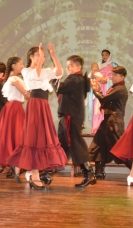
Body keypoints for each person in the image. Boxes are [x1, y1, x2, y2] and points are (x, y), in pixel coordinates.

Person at [7, 43, 67, 190]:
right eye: (39, 55)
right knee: (35, 138)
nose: (42, 58)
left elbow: (59, 72)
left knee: (44, 138)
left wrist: (53, 55)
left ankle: (31, 172)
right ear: (31, 57)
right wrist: (40, 62)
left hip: (44, 105)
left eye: (43, 56)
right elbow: (37, 75)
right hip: (35, 105)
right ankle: (34, 176)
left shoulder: (46, 70)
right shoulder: (26, 71)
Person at [0, 57, 29, 183]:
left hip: (15, 109)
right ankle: (22, 171)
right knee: (13, 139)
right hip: (13, 110)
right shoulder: (14, 79)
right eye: (21, 64)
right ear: (13, 66)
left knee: (14, 139)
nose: (23, 66)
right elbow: (27, 94)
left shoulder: (14, 79)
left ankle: (17, 170)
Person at [54, 55, 96, 188]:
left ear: (78, 67)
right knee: (61, 144)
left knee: (75, 143)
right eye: (67, 66)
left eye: (70, 66)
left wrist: (50, 76)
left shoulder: (75, 78)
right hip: (70, 115)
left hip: (70, 116)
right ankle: (48, 171)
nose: (68, 68)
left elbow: (59, 88)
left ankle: (89, 173)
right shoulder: (81, 79)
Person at [89, 66, 131, 180]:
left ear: (122, 77)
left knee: (119, 146)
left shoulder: (120, 89)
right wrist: (98, 91)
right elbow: (106, 101)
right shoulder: (114, 88)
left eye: (115, 75)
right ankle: (99, 172)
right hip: (108, 119)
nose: (112, 77)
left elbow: (103, 99)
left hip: (114, 120)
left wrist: (95, 90)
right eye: (112, 74)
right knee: (99, 144)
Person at [88, 62, 107, 134]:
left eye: (96, 66)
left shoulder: (102, 75)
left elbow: (105, 80)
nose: (95, 68)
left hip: (101, 94)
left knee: (101, 111)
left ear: (99, 68)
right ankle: (95, 128)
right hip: (95, 97)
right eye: (93, 67)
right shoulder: (91, 76)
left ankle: (101, 128)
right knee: (96, 112)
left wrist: (101, 79)